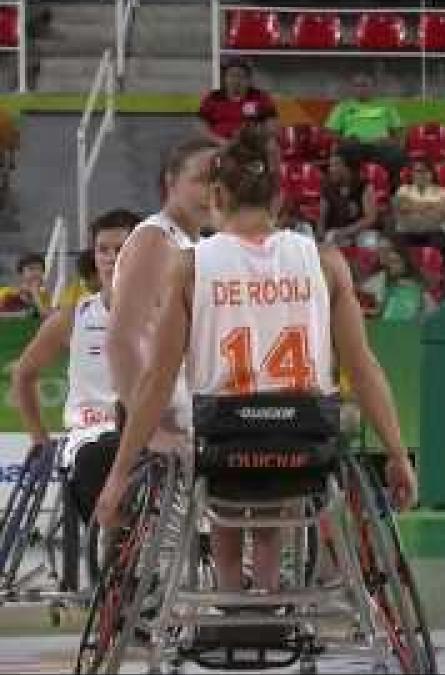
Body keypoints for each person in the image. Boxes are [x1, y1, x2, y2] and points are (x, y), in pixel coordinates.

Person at [94, 127, 418, 599]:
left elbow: (156, 380)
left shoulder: (189, 264)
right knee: (277, 496)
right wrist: (395, 454)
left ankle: (231, 606)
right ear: (280, 196)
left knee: (225, 482)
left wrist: (120, 474)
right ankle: (270, 599)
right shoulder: (326, 261)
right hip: (304, 441)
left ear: (219, 193)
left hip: (224, 442)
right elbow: (363, 367)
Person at [11, 210, 137, 524]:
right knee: (100, 455)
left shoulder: (166, 314)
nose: (110, 258)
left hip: (148, 432)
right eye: (103, 250)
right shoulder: (72, 317)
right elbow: (24, 375)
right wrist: (39, 438)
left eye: (120, 250)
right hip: (91, 434)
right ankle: (115, 547)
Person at [107, 137, 219, 452]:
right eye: (200, 180)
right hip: (163, 414)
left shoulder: (199, 245)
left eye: (219, 181)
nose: (212, 192)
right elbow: (122, 339)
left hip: (193, 409)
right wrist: (150, 430)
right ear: (171, 181)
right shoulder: (155, 239)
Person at [324, 72, 406, 179]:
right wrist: (344, 140)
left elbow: (399, 131)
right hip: (354, 145)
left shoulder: (386, 106)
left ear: (373, 88)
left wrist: (390, 141)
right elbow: (330, 132)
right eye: (357, 85)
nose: (361, 89)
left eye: (364, 85)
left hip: (380, 146)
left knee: (396, 154)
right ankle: (355, 185)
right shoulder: (343, 106)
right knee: (347, 149)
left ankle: (389, 188)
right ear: (352, 88)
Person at [197, 57, 277, 144]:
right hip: (218, 144)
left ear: (249, 80)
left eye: (240, 76)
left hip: (251, 145)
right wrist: (218, 140)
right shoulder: (213, 97)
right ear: (225, 79)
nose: (236, 81)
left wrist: (266, 138)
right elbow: (201, 125)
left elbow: (271, 123)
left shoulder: (260, 97)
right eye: (232, 76)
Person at [361, 236, 438, 322]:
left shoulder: (417, 288)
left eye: (388, 250)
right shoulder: (373, 283)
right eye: (380, 250)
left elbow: (432, 315)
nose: (384, 255)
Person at [319, 149, 379, 246]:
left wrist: (346, 232)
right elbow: (322, 217)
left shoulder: (363, 186)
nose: (330, 169)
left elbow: (370, 218)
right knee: (329, 240)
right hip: (335, 234)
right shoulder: (327, 187)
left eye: (335, 165)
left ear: (347, 167)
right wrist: (321, 236)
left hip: (359, 233)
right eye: (330, 165)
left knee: (369, 241)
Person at [393, 159, 445, 252]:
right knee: (401, 242)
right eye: (418, 171)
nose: (422, 175)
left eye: (425, 171)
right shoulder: (403, 190)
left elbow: (441, 217)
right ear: (412, 174)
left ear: (432, 173)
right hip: (407, 232)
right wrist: (430, 207)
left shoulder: (443, 192)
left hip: (434, 232)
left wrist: (413, 208)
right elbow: (401, 215)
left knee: (438, 242)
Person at [0, 253, 50, 318]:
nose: (36, 273)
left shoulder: (43, 295)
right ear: (21, 273)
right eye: (31, 269)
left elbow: (46, 317)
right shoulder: (6, 292)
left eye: (39, 269)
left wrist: (35, 294)